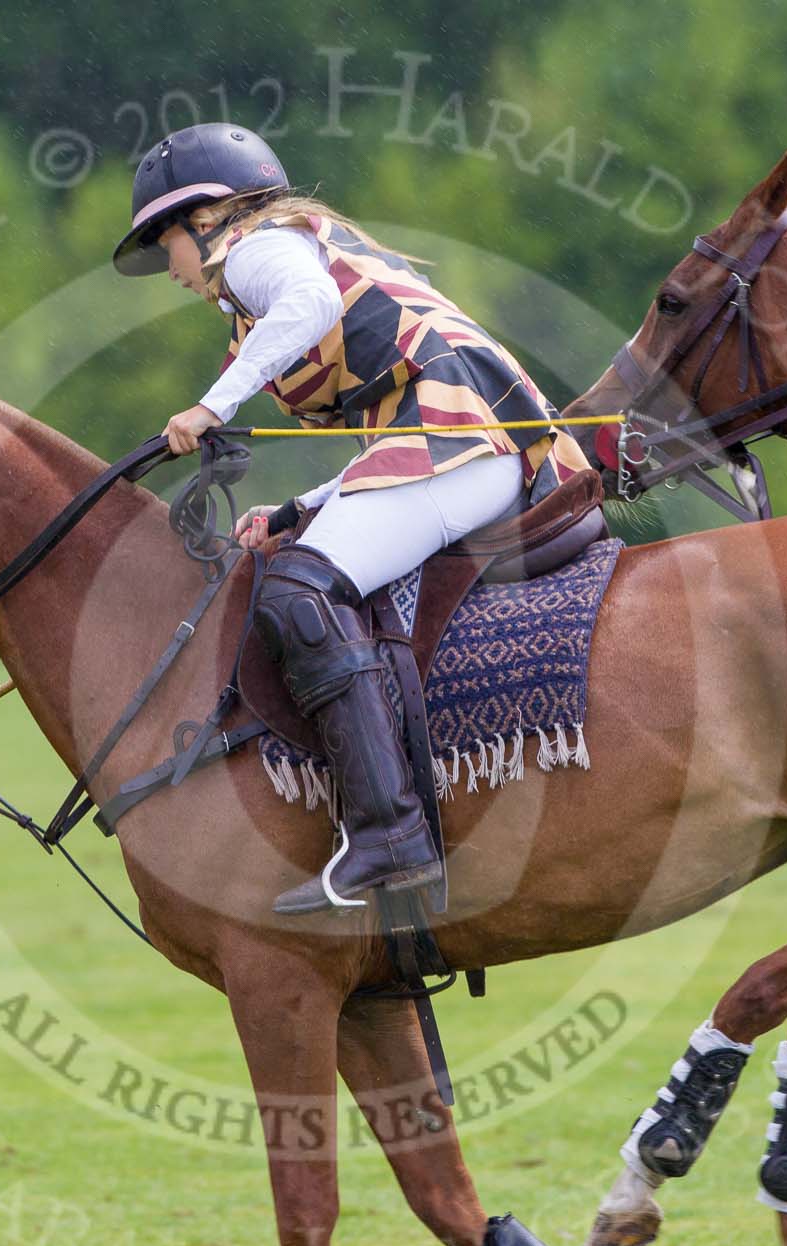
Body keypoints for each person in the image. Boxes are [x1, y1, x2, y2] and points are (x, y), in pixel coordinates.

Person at [113, 122, 589, 914]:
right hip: (461, 441)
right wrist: (301, 505)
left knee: (297, 592)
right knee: (300, 556)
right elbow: (396, 432)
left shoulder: (256, 249)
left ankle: (391, 835)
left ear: (207, 218)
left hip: (466, 444)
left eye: (166, 245)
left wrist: (210, 404)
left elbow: (311, 303)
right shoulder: (283, 246)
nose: (170, 271)